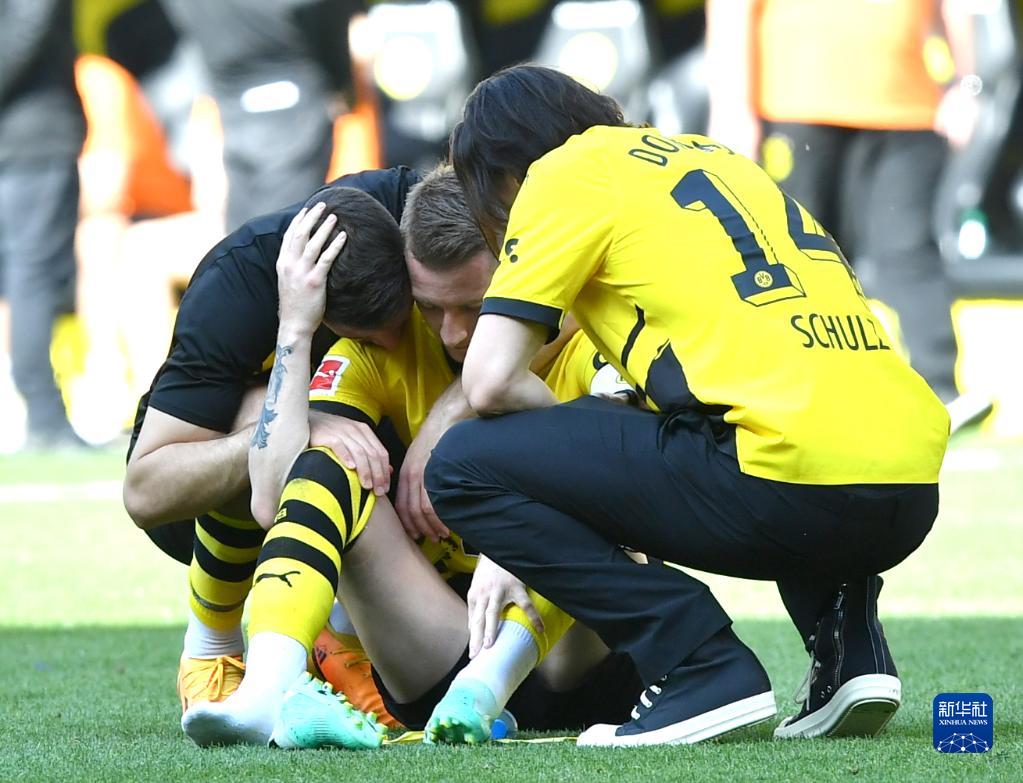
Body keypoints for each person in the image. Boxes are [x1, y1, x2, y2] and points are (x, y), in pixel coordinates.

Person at [423, 65, 951, 747]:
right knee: (764, 408)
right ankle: (848, 649)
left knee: (463, 463)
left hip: (787, 488)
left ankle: (699, 663)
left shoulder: (562, 173)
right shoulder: (714, 156)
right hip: (907, 488)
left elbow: (489, 380)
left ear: (501, 171)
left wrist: (556, 462)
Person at [180, 165, 643, 748]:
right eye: (430, 307)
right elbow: (270, 497)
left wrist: (521, 540)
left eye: (474, 307)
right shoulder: (385, 350)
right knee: (323, 462)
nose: (451, 334)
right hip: (440, 659)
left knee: (606, 455)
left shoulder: (592, 339)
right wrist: (295, 328)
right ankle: (264, 691)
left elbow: (637, 467)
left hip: (580, 661)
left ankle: (487, 683)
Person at [123, 167, 418, 718]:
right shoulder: (238, 284)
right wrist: (298, 406)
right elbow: (146, 493)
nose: (395, 343)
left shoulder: (423, 209)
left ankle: (337, 639)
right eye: (370, 336)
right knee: (265, 417)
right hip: (236, 516)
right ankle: (212, 644)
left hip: (398, 466)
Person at [705, 0, 988, 428]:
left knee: (910, 250)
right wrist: (732, 108)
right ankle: (788, 394)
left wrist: (964, 86)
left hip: (908, 108)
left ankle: (939, 392)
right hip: (797, 106)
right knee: (796, 258)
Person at [161, 0, 362, 231]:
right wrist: (342, 81)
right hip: (290, 95)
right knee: (289, 226)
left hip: (232, 103)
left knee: (248, 233)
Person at [0, 0, 85, 450]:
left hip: (29, 136)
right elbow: (30, 23)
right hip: (32, 136)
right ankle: (44, 418)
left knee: (26, 275)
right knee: (33, 275)